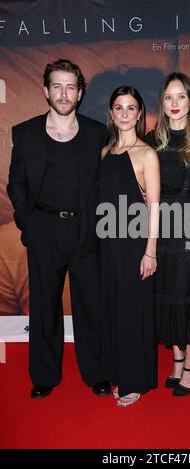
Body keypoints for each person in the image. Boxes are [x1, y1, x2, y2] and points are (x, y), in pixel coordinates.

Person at [6, 59, 111, 399]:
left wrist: (98, 224)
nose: (63, 94)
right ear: (45, 91)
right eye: (57, 86)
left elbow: (107, 184)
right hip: (44, 229)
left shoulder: (97, 134)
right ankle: (44, 375)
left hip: (85, 230)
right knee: (44, 306)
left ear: (79, 93)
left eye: (70, 87)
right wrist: (29, 221)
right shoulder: (24, 132)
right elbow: (16, 183)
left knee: (91, 306)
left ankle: (97, 371)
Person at [146, 72, 190, 397]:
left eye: (181, 97)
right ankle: (175, 359)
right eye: (169, 98)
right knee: (168, 298)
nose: (174, 104)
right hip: (162, 232)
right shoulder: (150, 141)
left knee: (188, 298)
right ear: (162, 102)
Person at [97, 86, 160, 407]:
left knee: (133, 313)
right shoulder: (105, 153)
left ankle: (136, 380)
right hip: (107, 245)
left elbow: (155, 207)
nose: (124, 113)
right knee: (112, 310)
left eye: (130, 108)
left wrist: (150, 251)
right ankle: (119, 372)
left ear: (139, 113)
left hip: (134, 245)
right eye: (118, 107)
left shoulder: (147, 154)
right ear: (111, 113)